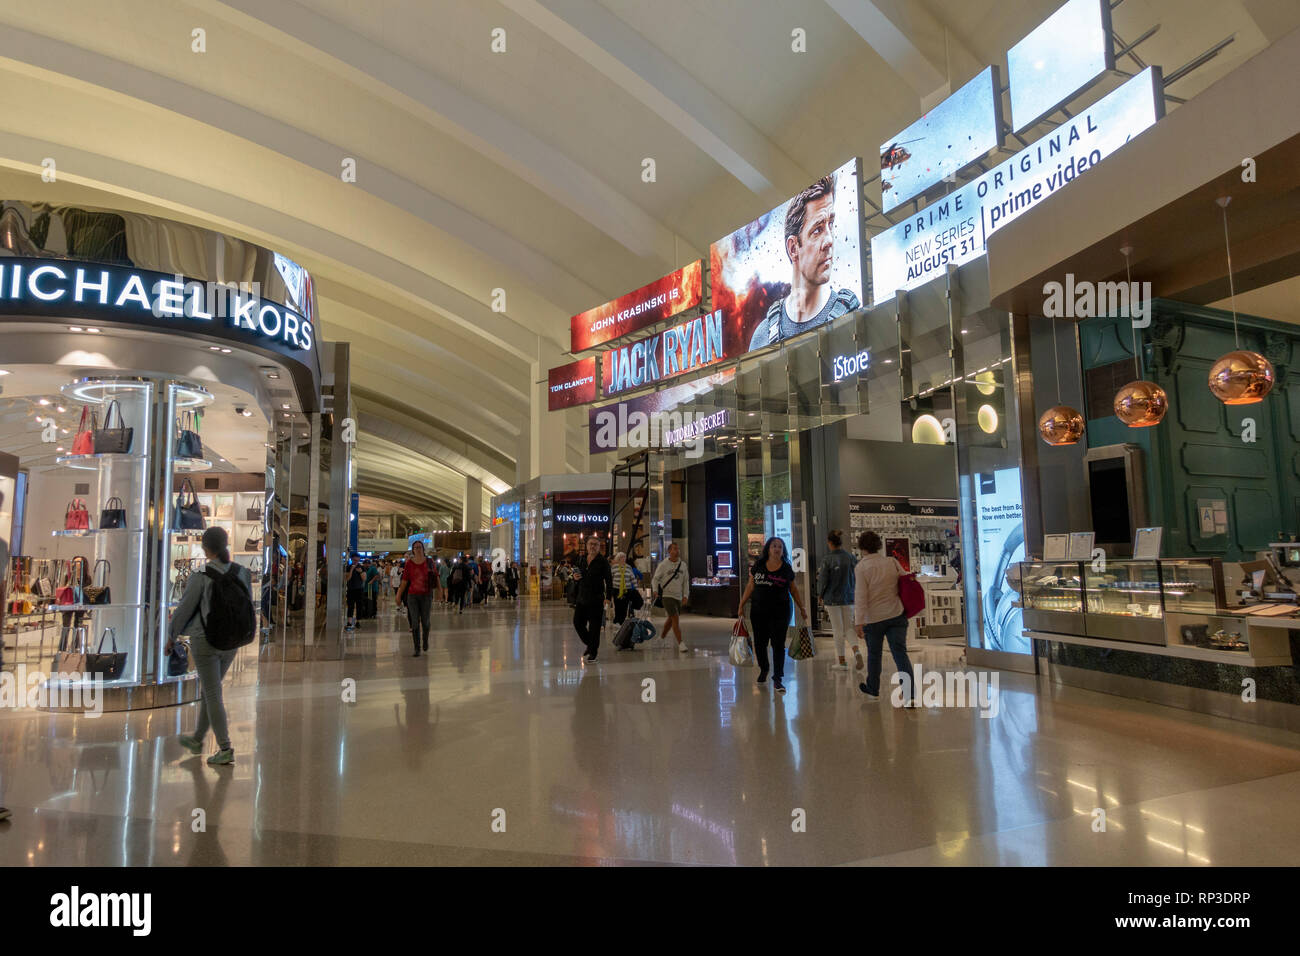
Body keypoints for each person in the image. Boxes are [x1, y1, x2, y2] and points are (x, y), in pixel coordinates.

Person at [747, 171, 859, 350]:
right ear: (793, 248)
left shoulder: (851, 316)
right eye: (817, 230)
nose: (829, 240)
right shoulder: (763, 337)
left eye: (831, 224)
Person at [171, 527, 252, 766]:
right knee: (210, 689)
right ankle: (197, 738)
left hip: (205, 640)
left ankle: (225, 747)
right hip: (232, 641)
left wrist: (170, 635)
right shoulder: (242, 572)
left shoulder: (200, 575)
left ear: (206, 549)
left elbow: (185, 608)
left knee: (213, 693)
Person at [736, 537, 807, 694]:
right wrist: (741, 604)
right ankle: (764, 669)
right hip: (759, 611)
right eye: (774, 546)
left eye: (780, 547)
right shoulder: (759, 566)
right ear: (768, 549)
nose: (777, 549)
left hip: (780, 612)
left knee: (778, 644)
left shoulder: (786, 568)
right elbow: (750, 585)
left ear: (783, 551)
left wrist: (802, 607)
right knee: (760, 644)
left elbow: (793, 590)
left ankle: (778, 678)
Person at [854, 530, 917, 705]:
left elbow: (861, 596)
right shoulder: (891, 561)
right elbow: (905, 581)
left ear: (862, 547)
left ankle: (873, 689)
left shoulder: (861, 567)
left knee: (874, 655)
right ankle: (910, 695)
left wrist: (858, 622)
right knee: (900, 654)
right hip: (896, 614)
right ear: (879, 545)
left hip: (873, 619)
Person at [817, 529, 861, 671]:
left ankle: (841, 661)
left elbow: (823, 580)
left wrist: (820, 594)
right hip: (849, 597)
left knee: (837, 629)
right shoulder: (851, 557)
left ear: (829, 543)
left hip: (832, 598)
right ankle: (856, 651)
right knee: (849, 627)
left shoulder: (827, 559)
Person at [572, 536, 612, 663]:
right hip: (582, 598)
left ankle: (593, 652)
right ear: (587, 545)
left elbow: (609, 580)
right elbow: (577, 577)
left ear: (599, 547)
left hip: (596, 598)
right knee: (577, 622)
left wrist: (608, 598)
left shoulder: (603, 561)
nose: (593, 546)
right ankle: (590, 644)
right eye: (591, 544)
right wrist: (575, 577)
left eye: (595, 544)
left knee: (595, 627)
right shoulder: (582, 560)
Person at [650, 541, 690, 652]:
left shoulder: (683, 565)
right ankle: (681, 643)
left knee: (671, 619)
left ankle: (661, 638)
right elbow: (655, 579)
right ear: (669, 551)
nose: (677, 551)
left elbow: (686, 582)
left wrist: (686, 595)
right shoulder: (663, 565)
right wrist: (654, 590)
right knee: (675, 619)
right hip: (667, 596)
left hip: (678, 597)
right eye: (674, 549)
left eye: (678, 549)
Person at [397, 540, 434, 656]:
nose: (418, 549)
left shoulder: (429, 561)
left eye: (420, 547)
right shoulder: (409, 564)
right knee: (415, 623)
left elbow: (435, 577)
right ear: (413, 550)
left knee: (426, 622)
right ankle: (417, 648)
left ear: (423, 549)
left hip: (426, 595)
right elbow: (404, 581)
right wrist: (398, 595)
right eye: (415, 547)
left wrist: (440, 592)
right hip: (412, 596)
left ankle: (425, 640)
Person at [610, 551, 640, 625]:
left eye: (624, 558)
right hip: (616, 589)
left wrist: (636, 588)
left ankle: (622, 621)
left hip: (627, 589)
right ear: (618, 559)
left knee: (624, 605)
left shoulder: (628, 567)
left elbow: (633, 578)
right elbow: (610, 578)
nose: (624, 559)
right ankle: (617, 619)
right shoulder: (614, 567)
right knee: (617, 605)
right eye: (622, 558)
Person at [345, 559, 365, 630]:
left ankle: (358, 622)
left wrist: (361, 572)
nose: (356, 561)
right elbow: (347, 578)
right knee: (350, 606)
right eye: (354, 560)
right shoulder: (348, 567)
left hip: (359, 590)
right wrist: (351, 570)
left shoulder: (361, 567)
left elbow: (364, 578)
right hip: (351, 590)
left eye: (357, 560)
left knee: (359, 606)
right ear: (352, 560)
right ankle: (349, 622)